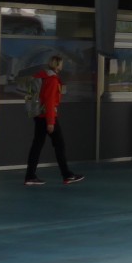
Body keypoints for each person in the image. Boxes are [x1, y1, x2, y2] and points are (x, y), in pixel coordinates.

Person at [24, 55, 84, 186]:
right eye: (61, 63)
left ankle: (30, 176)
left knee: (37, 145)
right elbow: (50, 101)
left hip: (39, 115)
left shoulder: (41, 76)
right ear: (58, 65)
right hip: (48, 117)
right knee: (59, 145)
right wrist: (50, 122)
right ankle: (67, 175)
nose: (62, 65)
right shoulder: (52, 79)